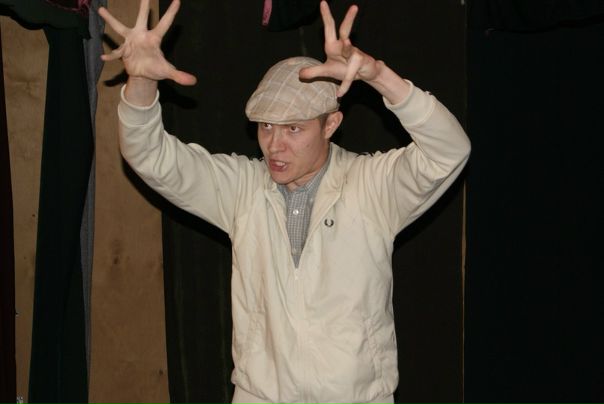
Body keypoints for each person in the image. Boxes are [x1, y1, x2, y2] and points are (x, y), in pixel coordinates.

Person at [99, 0, 471, 402]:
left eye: (293, 128)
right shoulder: (242, 189)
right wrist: (140, 83)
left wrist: (381, 77)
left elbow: (450, 151)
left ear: (331, 123)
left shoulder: (371, 187)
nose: (274, 145)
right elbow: (151, 157)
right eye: (265, 126)